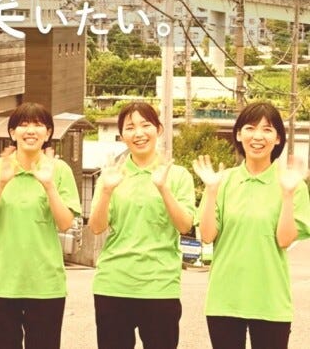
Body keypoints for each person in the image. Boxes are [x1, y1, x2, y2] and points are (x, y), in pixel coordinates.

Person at [193, 101, 310, 349]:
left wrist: (287, 194)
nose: (258, 136)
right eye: (250, 128)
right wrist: (211, 191)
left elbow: (284, 240)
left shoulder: (292, 184)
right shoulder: (222, 181)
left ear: (278, 139)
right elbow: (207, 236)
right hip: (224, 300)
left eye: (267, 129)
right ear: (238, 134)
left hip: (271, 302)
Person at [0, 102, 81, 349]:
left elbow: (65, 223)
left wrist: (49, 185)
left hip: (46, 285)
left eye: (38, 125)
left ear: (48, 133)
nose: (30, 130)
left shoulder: (59, 170)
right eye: (23, 125)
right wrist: (0, 183)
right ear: (12, 132)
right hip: (1, 284)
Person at [89, 101, 195, 349]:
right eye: (130, 127)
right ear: (122, 134)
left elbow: (184, 226)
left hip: (160, 286)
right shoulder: (111, 174)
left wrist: (164, 189)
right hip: (113, 284)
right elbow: (96, 227)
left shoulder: (177, 175)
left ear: (158, 129)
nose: (138, 133)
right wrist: (106, 190)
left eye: (145, 125)